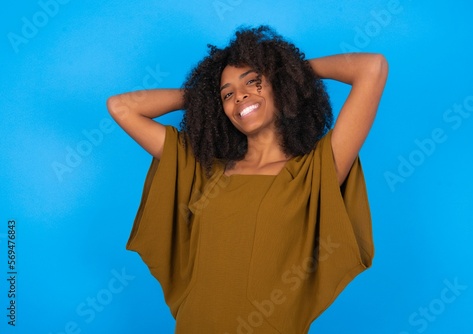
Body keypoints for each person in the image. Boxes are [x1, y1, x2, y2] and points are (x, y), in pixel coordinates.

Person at [107, 25, 388, 333]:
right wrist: (204, 97)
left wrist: (289, 72)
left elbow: (372, 67)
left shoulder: (314, 172)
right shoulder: (203, 171)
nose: (240, 96)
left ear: (279, 87)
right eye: (227, 94)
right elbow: (121, 107)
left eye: (253, 81)